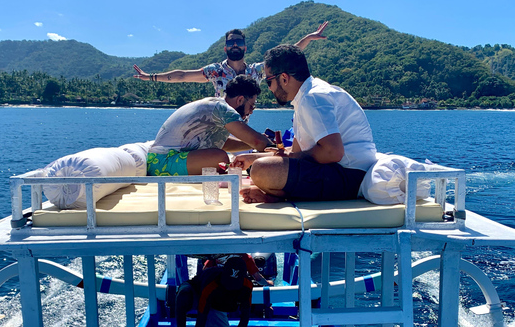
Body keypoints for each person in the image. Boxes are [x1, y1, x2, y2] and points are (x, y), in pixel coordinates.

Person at [231, 44, 378, 203]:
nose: (270, 89)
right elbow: (296, 152)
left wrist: (268, 161)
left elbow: (333, 152)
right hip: (344, 172)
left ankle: (278, 195)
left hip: (349, 177)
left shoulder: (312, 98)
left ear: (284, 78)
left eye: (269, 81)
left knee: (262, 170)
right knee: (260, 165)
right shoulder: (306, 97)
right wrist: (252, 158)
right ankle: (276, 195)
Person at [133, 23, 328, 97]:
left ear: (245, 47)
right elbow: (182, 75)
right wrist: (151, 77)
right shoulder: (215, 71)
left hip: (243, 132)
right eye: (231, 42)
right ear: (226, 47)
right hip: (219, 128)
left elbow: (285, 56)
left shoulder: (256, 71)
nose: (235, 45)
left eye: (239, 42)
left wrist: (307, 39)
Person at [146, 75, 271, 176]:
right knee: (220, 158)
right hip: (164, 161)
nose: (251, 111)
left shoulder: (217, 107)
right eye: (252, 106)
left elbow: (224, 143)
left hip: (158, 161)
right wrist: (277, 152)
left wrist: (250, 143)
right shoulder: (223, 110)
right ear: (240, 100)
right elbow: (257, 141)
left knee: (220, 156)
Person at [171, 256, 253, 327]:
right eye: (228, 284)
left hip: (218, 303)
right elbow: (201, 321)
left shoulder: (247, 287)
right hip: (199, 292)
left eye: (234, 285)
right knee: (183, 295)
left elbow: (245, 318)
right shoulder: (211, 284)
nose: (230, 288)